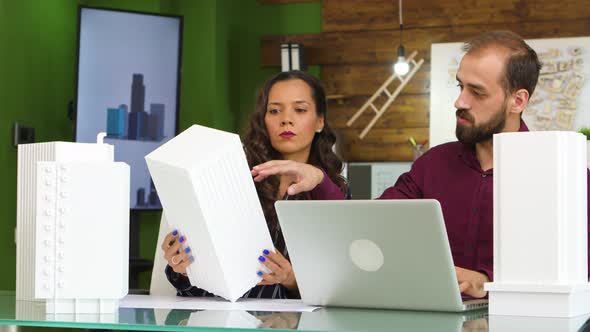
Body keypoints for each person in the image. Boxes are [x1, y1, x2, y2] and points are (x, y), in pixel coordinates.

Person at [254, 31, 590, 299]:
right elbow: (367, 229)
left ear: (518, 100)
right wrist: (320, 180)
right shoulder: (432, 166)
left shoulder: (563, 173)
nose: (460, 101)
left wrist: (489, 284)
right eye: (460, 86)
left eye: (477, 92)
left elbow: (578, 271)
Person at [160, 70, 348, 299]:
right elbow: (197, 286)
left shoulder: (333, 192)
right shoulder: (231, 180)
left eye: (299, 109)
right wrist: (185, 269)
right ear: (264, 120)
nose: (286, 119)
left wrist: (292, 279)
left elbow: (345, 283)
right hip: (219, 318)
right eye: (274, 110)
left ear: (320, 121)